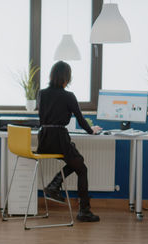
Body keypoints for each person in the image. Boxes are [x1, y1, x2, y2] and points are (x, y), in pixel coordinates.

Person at [36, 60, 102, 222]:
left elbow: (42, 116)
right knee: (82, 168)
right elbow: (80, 119)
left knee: (77, 163)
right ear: (67, 78)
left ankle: (54, 185)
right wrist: (91, 130)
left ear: (52, 76)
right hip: (59, 138)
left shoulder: (41, 93)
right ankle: (84, 211)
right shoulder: (68, 96)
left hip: (44, 139)